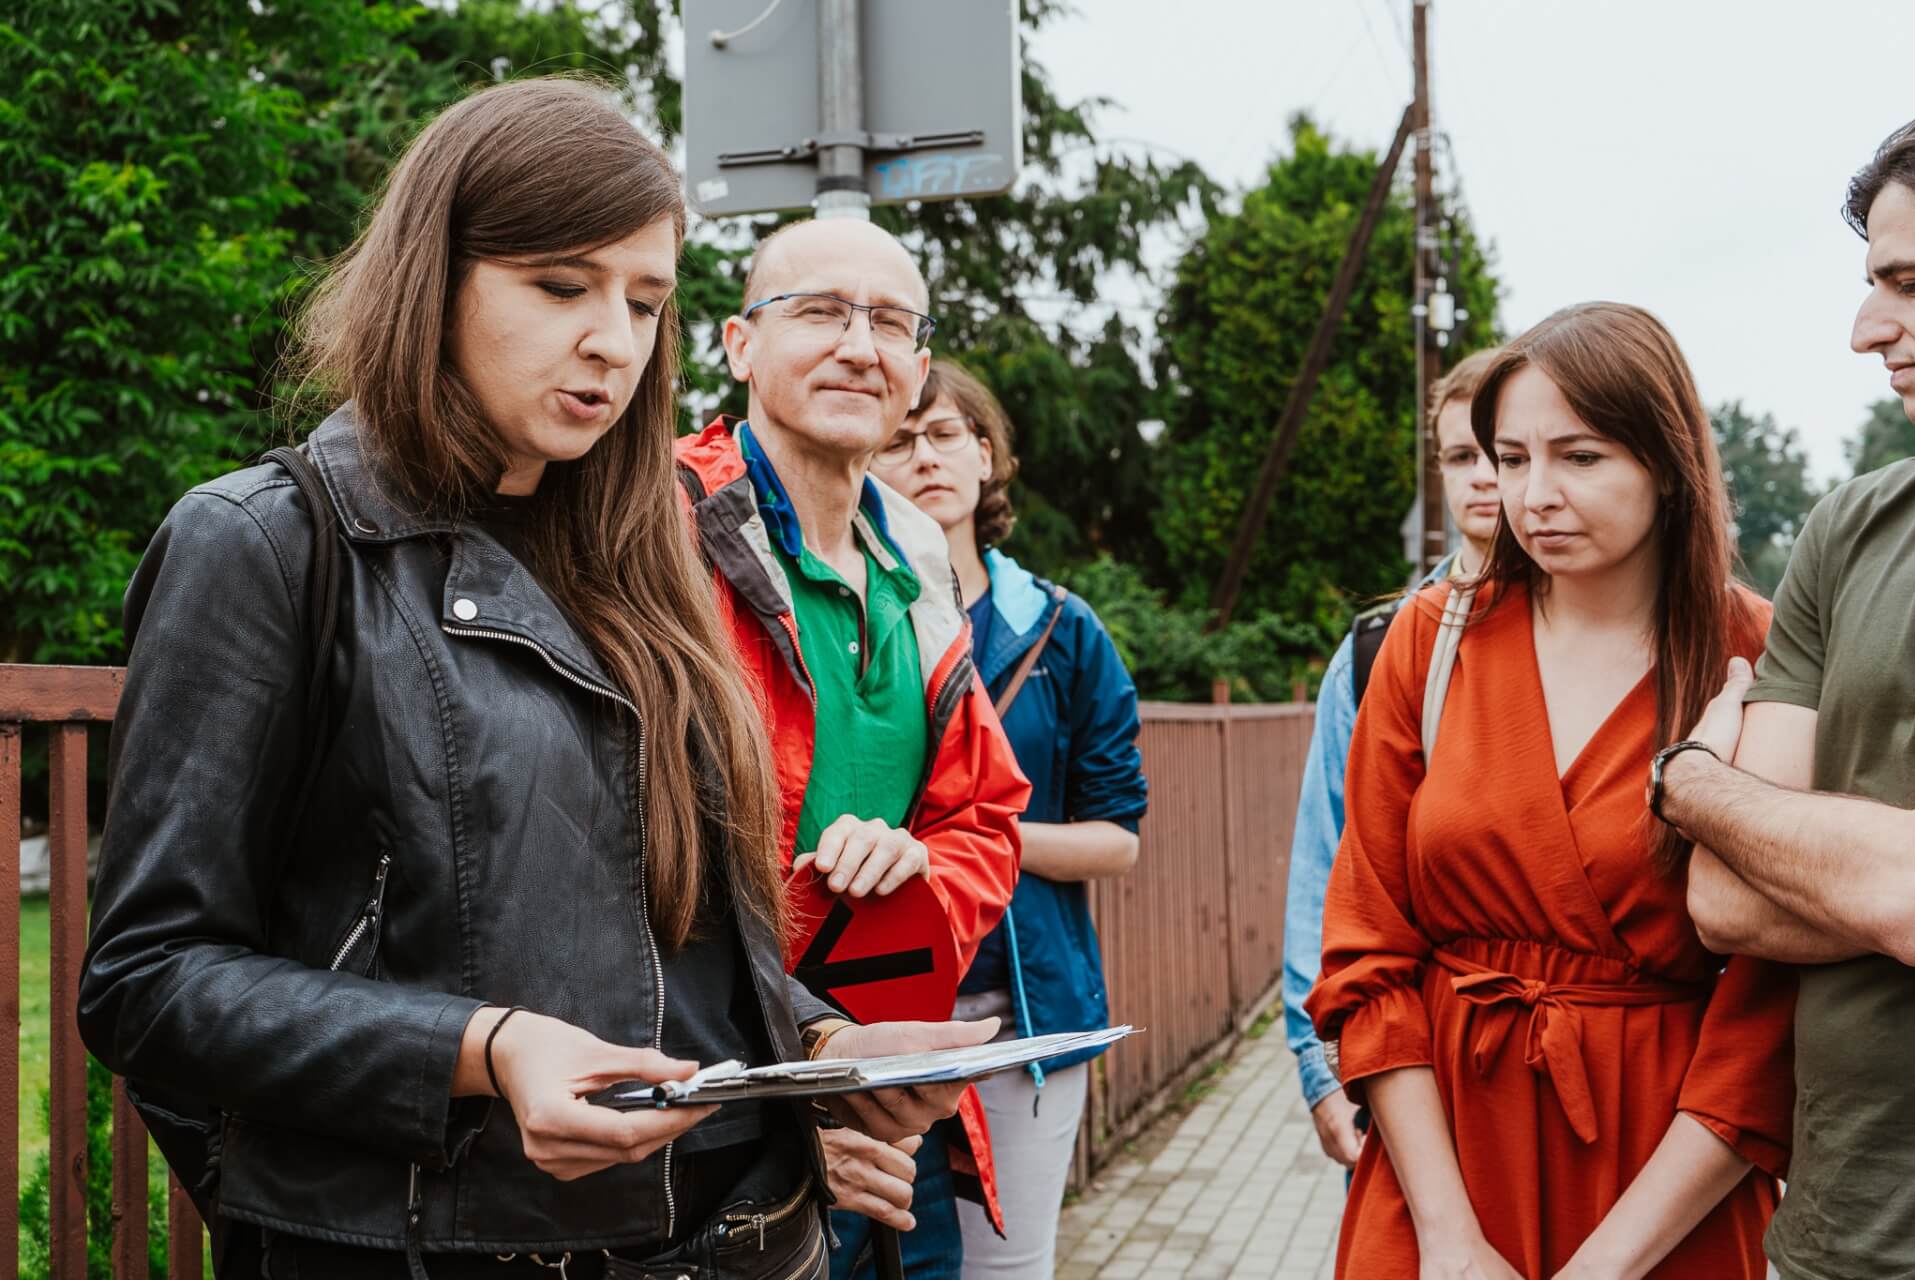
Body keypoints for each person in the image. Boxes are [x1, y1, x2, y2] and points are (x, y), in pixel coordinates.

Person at [77, 77, 991, 1280]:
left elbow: (698, 929)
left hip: (748, 1240)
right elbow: (147, 979)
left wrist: (817, 1056)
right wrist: (482, 1047)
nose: (613, 339)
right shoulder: (264, 542)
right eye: (562, 286)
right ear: (433, 274)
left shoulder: (652, 552)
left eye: (646, 300)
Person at [1307, 302, 1795, 1278]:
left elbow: (1769, 1012)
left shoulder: (1757, 653)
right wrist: (1447, 1234)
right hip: (1441, 1167)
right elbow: (1367, 948)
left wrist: (1609, 1262)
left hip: (1665, 1173)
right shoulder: (1433, 638)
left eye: (1579, 457)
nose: (1532, 494)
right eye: (1510, 456)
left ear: (1665, 459)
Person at [673, 222, 1030, 1280]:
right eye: (820, 311)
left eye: (889, 322)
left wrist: (923, 863)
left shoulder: (919, 561)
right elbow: (610, 863)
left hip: (899, 1112)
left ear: (918, 368)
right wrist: (784, 1109)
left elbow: (987, 818)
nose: (858, 344)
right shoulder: (656, 529)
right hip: (718, 1123)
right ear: (740, 343)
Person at [1658, 116, 1915, 1280]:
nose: (1867, 329)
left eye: (1910, 285)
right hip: (1835, 1235)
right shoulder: (1850, 528)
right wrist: (1869, 873)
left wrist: (1695, 781)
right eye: (1874, 283)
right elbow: (1722, 897)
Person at [866, 359, 1149, 1278]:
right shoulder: (848, 617)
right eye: (899, 440)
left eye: (945, 434)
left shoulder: (1063, 631)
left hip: (1024, 1024)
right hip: (868, 1020)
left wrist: (972, 839)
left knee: (1008, 1267)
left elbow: (1117, 839)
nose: (924, 457)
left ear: (986, 457)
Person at [1281, 347, 1502, 1171]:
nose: (1483, 476)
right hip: (1400, 1051)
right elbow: (1324, 866)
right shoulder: (1380, 649)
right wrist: (1318, 1066)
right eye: (1459, 456)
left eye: (1500, 453)